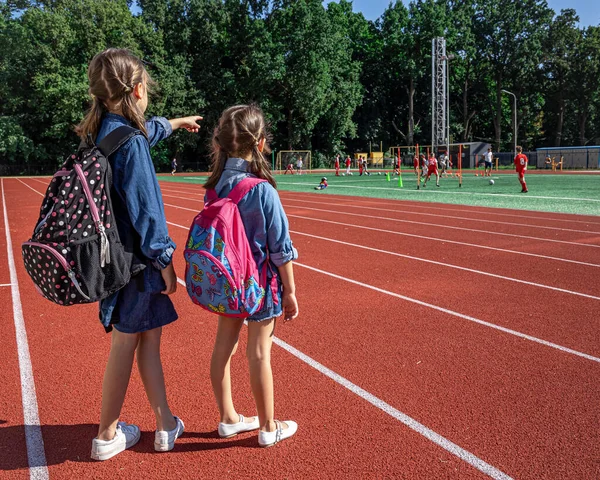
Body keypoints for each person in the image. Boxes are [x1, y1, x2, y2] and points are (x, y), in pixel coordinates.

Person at [76, 48, 202, 461]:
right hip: (137, 264)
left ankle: (165, 423)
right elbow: (148, 212)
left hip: (115, 259)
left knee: (148, 339)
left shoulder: (103, 131)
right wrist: (165, 262)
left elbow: (146, 129)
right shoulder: (130, 143)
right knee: (128, 344)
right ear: (138, 89)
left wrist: (176, 122)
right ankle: (106, 434)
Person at [203, 104, 299, 447]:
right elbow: (281, 249)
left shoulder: (213, 189)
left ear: (223, 143)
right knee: (259, 353)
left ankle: (228, 417)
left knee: (222, 349)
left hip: (226, 283)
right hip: (261, 285)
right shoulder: (262, 190)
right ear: (260, 143)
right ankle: (268, 427)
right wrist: (290, 291)